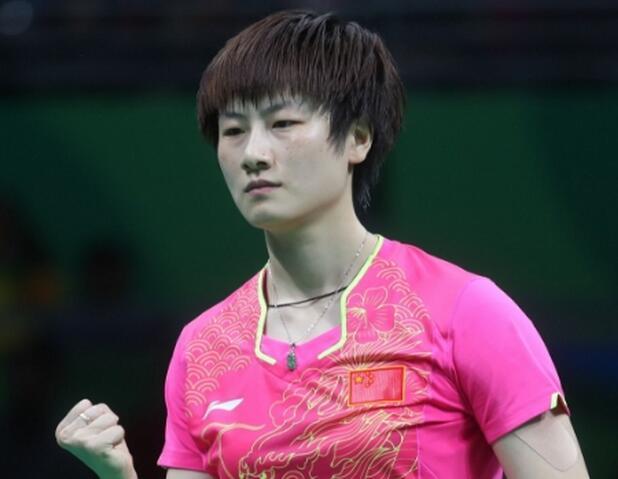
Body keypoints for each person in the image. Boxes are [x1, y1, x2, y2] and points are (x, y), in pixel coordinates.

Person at [55, 10, 590, 479]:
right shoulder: (202, 351)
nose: (254, 154)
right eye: (233, 130)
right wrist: (118, 474)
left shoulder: (464, 312)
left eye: (283, 123)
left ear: (358, 138)